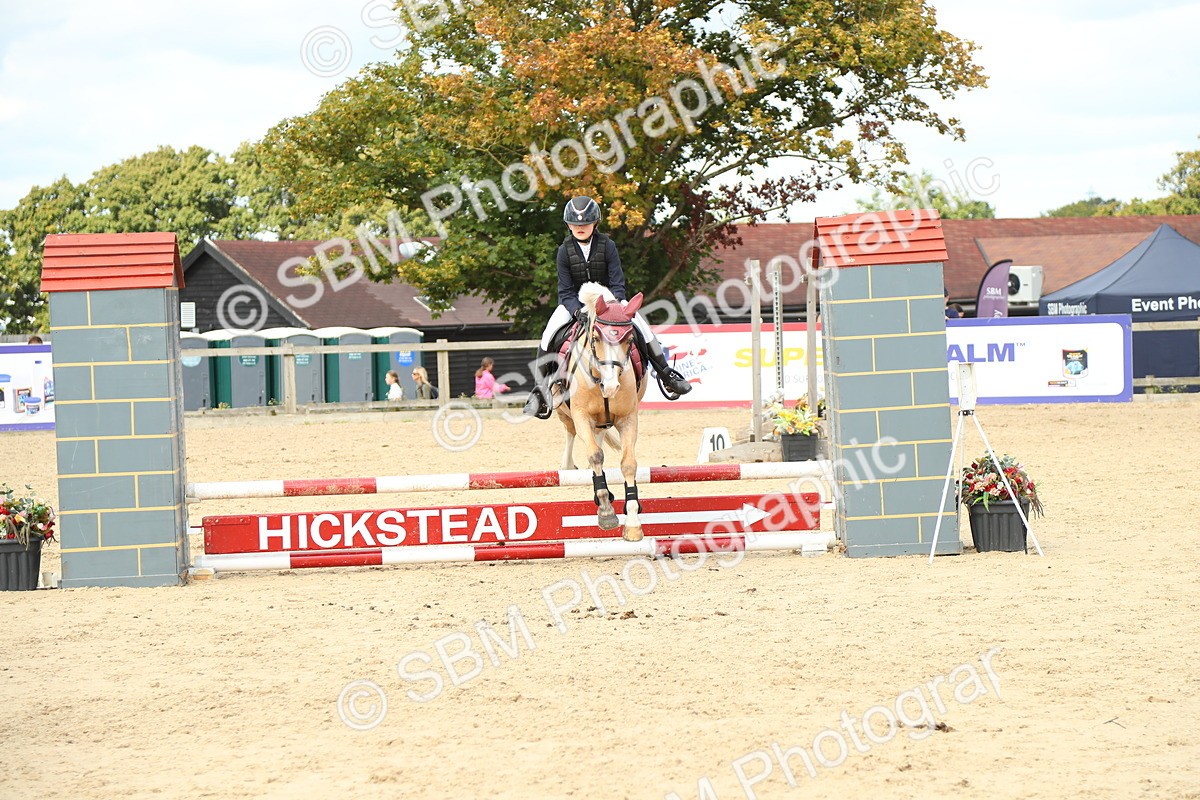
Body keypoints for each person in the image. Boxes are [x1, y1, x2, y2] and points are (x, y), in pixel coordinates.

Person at [523, 196, 692, 418]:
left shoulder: (607, 245)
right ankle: (540, 391)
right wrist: (577, 311)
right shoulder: (564, 251)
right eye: (575, 224)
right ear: (568, 225)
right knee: (548, 335)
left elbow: (617, 283)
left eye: (585, 224)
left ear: (595, 224)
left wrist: (613, 305)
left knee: (642, 327)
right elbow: (565, 290)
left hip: (610, 301)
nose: (580, 228)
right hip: (576, 303)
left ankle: (667, 374)